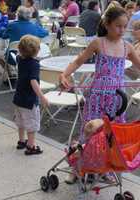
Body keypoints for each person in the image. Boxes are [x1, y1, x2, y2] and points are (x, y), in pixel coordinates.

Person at [59, 6, 140, 143]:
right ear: (107, 24)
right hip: (97, 96)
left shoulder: (128, 47)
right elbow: (78, 61)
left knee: (113, 134)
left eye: (125, 26)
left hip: (118, 99)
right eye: (118, 26)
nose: (122, 30)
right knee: (92, 131)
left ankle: (108, 162)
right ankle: (88, 160)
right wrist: (64, 75)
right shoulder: (98, 43)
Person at [13, 35, 49, 155]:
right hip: (29, 100)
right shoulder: (34, 64)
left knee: (21, 121)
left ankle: (22, 141)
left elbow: (19, 54)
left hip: (18, 97)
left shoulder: (20, 59)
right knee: (32, 124)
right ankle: (31, 146)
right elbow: (33, 81)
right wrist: (42, 96)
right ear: (37, 50)